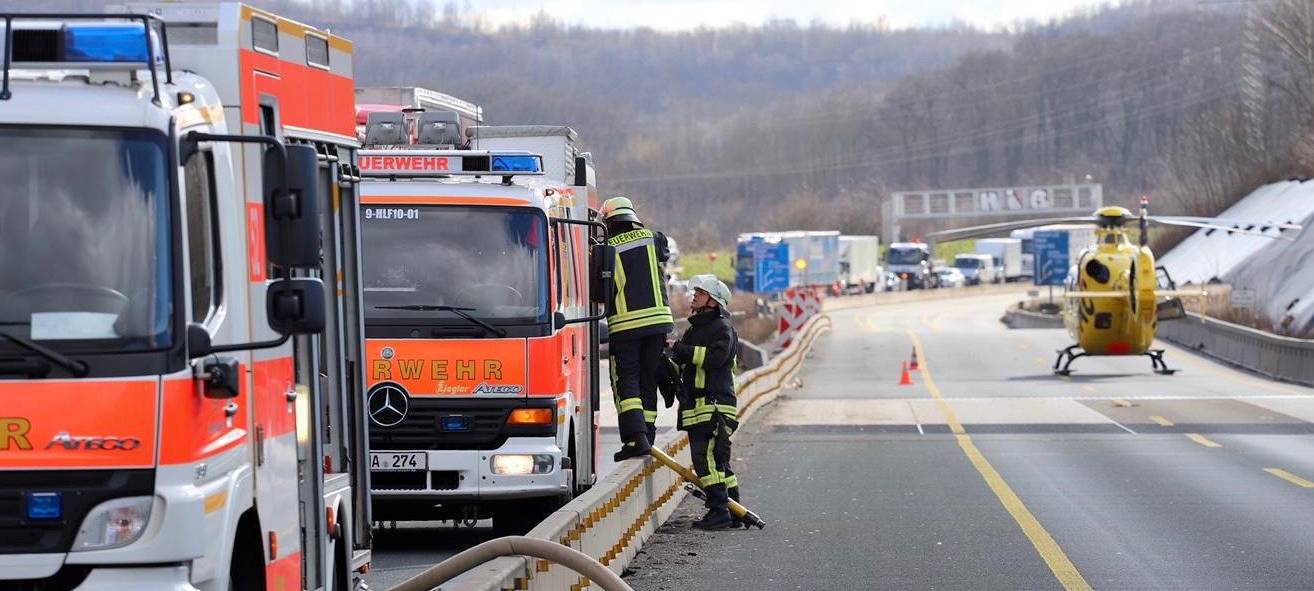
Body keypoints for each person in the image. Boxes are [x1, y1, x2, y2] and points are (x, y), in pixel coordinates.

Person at [601, 196, 674, 461]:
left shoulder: (607, 247)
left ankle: (635, 439)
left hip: (626, 325)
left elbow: (600, 292)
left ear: (609, 221)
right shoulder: (654, 238)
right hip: (658, 322)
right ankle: (649, 436)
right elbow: (665, 255)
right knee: (648, 379)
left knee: (626, 381)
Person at [669, 274, 741, 530]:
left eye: (700, 293)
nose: (694, 296)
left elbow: (715, 358)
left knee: (706, 461)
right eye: (695, 292)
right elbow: (684, 363)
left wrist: (682, 350)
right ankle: (735, 511)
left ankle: (719, 512)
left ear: (713, 301)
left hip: (714, 408)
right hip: (700, 408)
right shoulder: (695, 329)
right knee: (719, 462)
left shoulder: (722, 328)